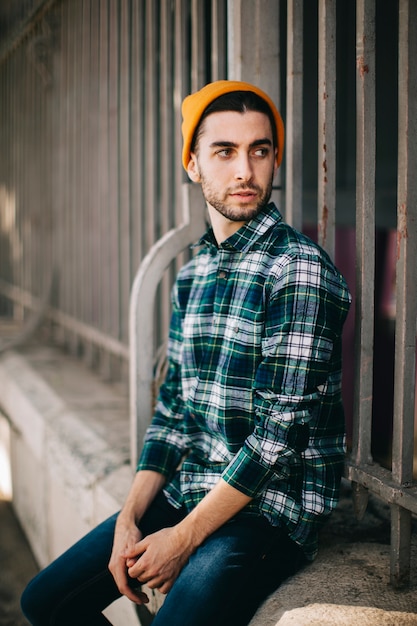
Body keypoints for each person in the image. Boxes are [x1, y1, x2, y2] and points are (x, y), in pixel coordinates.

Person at [21, 80, 351, 626]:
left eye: (260, 150)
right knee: (45, 602)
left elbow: (279, 438)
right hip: (191, 486)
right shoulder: (193, 273)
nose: (245, 171)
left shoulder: (299, 269)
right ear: (194, 164)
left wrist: (183, 538)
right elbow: (174, 409)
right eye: (225, 151)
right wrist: (131, 517)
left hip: (270, 510)